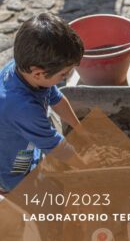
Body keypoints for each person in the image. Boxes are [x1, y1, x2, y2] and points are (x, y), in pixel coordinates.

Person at [0, 13, 87, 193]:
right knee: (24, 185)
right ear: (38, 73)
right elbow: (58, 148)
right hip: (10, 164)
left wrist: (79, 128)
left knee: (30, 156)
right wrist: (87, 167)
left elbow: (56, 98)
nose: (67, 78)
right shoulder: (23, 109)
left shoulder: (24, 68)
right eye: (63, 74)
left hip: (23, 143)